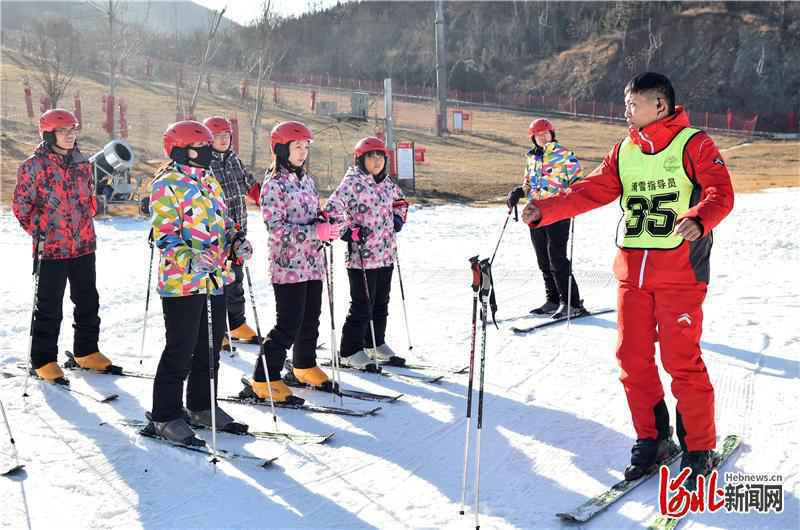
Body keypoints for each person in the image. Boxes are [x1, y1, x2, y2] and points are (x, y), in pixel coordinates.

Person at [522, 72, 734, 490]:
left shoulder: (695, 143)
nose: (626, 111)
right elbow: (590, 190)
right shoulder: (624, 150)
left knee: (680, 361)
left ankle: (698, 447)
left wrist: (699, 218)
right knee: (632, 359)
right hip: (631, 275)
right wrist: (543, 210)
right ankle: (653, 440)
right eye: (626, 104)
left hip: (680, 274)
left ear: (660, 105)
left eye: (633, 104)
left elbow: (720, 192)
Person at [143, 120, 252, 446]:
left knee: (209, 347)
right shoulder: (167, 185)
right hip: (182, 282)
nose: (206, 153)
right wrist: (190, 257)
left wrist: (236, 240)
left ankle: (202, 405)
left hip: (216, 278)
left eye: (207, 147)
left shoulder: (210, 180)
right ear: (179, 150)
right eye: (199, 148)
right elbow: (164, 235)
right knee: (181, 348)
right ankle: (165, 415)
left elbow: (225, 220)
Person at [12, 109, 112, 382]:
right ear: (49, 134)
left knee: (88, 300)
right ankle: (43, 360)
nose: (70, 136)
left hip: (83, 246)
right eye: (64, 131)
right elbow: (21, 207)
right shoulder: (34, 166)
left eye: (73, 130)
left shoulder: (82, 163)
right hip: (51, 249)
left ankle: (86, 351)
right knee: (48, 306)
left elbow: (88, 199)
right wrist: (43, 231)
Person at [250, 121, 343, 402]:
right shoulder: (273, 184)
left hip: (313, 261)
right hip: (288, 265)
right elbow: (276, 228)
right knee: (288, 324)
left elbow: (313, 214)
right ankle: (264, 378)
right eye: (297, 147)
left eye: (305, 147)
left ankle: (304, 364)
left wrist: (325, 222)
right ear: (281, 149)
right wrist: (316, 231)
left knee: (310, 319)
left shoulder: (306, 179)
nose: (302, 153)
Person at [325, 137, 409, 371]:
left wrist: (397, 218)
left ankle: (374, 342)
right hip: (361, 256)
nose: (377, 161)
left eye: (380, 156)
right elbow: (333, 209)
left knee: (381, 301)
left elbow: (401, 202)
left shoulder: (386, 183)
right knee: (363, 304)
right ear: (360, 159)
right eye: (371, 156)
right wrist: (348, 231)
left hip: (385, 252)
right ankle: (350, 350)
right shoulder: (352, 183)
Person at [507, 118, 586, 319]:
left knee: (556, 258)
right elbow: (527, 183)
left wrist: (574, 200)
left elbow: (579, 182)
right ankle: (552, 300)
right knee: (543, 258)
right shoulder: (531, 158)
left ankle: (572, 303)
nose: (542, 137)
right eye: (537, 134)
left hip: (558, 211)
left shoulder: (565, 155)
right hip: (536, 212)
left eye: (545, 133)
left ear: (552, 134)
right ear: (532, 137)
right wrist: (518, 191)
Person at [204, 116, 261, 349]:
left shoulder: (233, 159)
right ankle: (216, 329)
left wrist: (262, 197)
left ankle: (236, 323)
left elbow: (248, 182)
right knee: (217, 283)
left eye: (227, 136)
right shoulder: (206, 163)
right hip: (217, 234)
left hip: (238, 231)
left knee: (236, 278)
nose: (223, 140)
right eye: (218, 136)